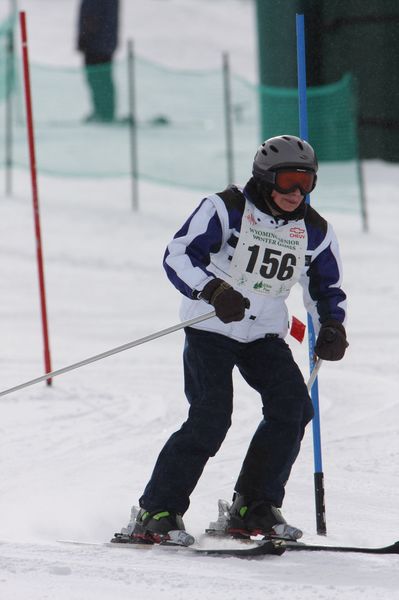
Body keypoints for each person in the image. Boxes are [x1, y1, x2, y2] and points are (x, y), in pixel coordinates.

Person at [130, 135, 348, 544]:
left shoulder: (315, 231)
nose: (296, 192)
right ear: (266, 179)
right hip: (212, 327)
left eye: (306, 182)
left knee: (293, 408)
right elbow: (179, 254)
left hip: (263, 333)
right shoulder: (226, 209)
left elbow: (325, 289)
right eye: (287, 181)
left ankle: (253, 505)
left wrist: (333, 327)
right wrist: (212, 291)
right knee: (211, 416)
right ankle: (157, 509)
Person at [77, 0, 119, 123]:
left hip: (97, 43)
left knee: (99, 79)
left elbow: (92, 15)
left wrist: (85, 37)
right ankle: (103, 112)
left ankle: (104, 113)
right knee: (101, 79)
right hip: (102, 42)